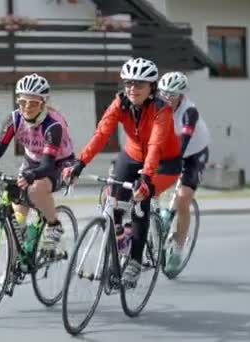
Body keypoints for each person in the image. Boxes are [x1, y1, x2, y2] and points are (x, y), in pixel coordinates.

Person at [65, 57, 182, 285]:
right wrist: (80, 164)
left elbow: (155, 145)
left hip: (164, 163)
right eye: (128, 83)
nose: (132, 89)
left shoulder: (162, 110)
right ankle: (121, 238)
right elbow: (101, 134)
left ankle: (135, 262)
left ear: (152, 87)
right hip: (132, 156)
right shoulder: (120, 103)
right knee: (114, 199)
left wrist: (146, 179)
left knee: (141, 201)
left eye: (139, 84)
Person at [0, 73, 75, 254]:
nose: (27, 108)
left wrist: (32, 176)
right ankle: (11, 269)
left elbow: (46, 166)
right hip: (32, 161)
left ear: (43, 103)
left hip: (58, 164)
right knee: (17, 221)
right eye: (22, 102)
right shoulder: (15, 120)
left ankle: (54, 225)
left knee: (36, 189)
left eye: (33, 103)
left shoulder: (53, 126)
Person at [157, 71, 210, 273]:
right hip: (171, 150)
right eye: (164, 93)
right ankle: (160, 215)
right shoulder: (157, 106)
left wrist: (174, 161)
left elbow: (185, 140)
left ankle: (178, 251)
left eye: (172, 95)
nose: (167, 98)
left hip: (194, 154)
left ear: (181, 95)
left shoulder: (189, 112)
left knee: (183, 199)